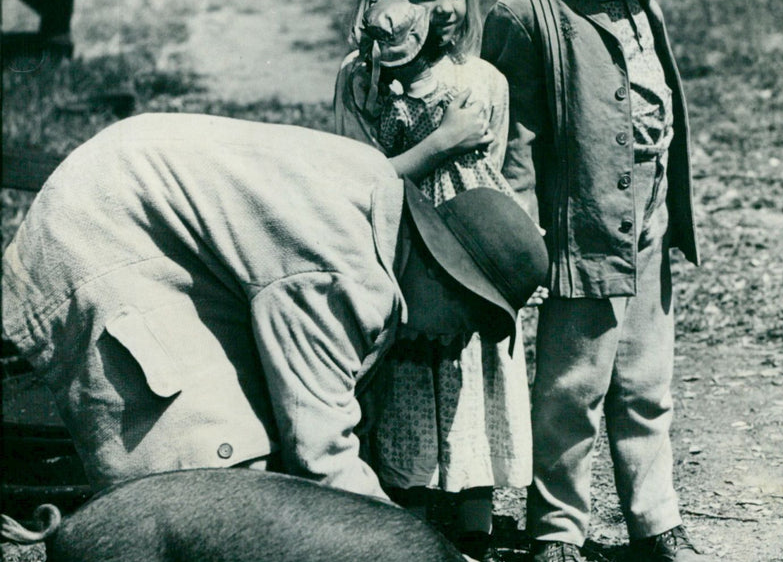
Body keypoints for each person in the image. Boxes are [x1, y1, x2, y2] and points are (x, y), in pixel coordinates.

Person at [2, 112, 547, 520]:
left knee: (254, 449)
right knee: (208, 482)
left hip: (146, 216)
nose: (453, 342)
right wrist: (426, 559)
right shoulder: (343, 276)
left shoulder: (379, 199)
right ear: (442, 273)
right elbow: (322, 452)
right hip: (99, 232)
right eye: (466, 322)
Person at [481, 0, 728, 562]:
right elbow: (510, 148)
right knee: (572, 389)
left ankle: (656, 522)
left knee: (648, 377)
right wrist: (518, 252)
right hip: (578, 229)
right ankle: (556, 535)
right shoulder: (527, 15)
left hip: (648, 212)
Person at [334, 0, 550, 562]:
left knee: (473, 402)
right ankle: (419, 555)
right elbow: (358, 182)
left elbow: (499, 179)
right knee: (408, 406)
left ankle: (480, 554)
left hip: (472, 267)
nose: (447, 8)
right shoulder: (360, 83)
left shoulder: (483, 79)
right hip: (404, 265)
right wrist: (439, 140)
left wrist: (519, 252)